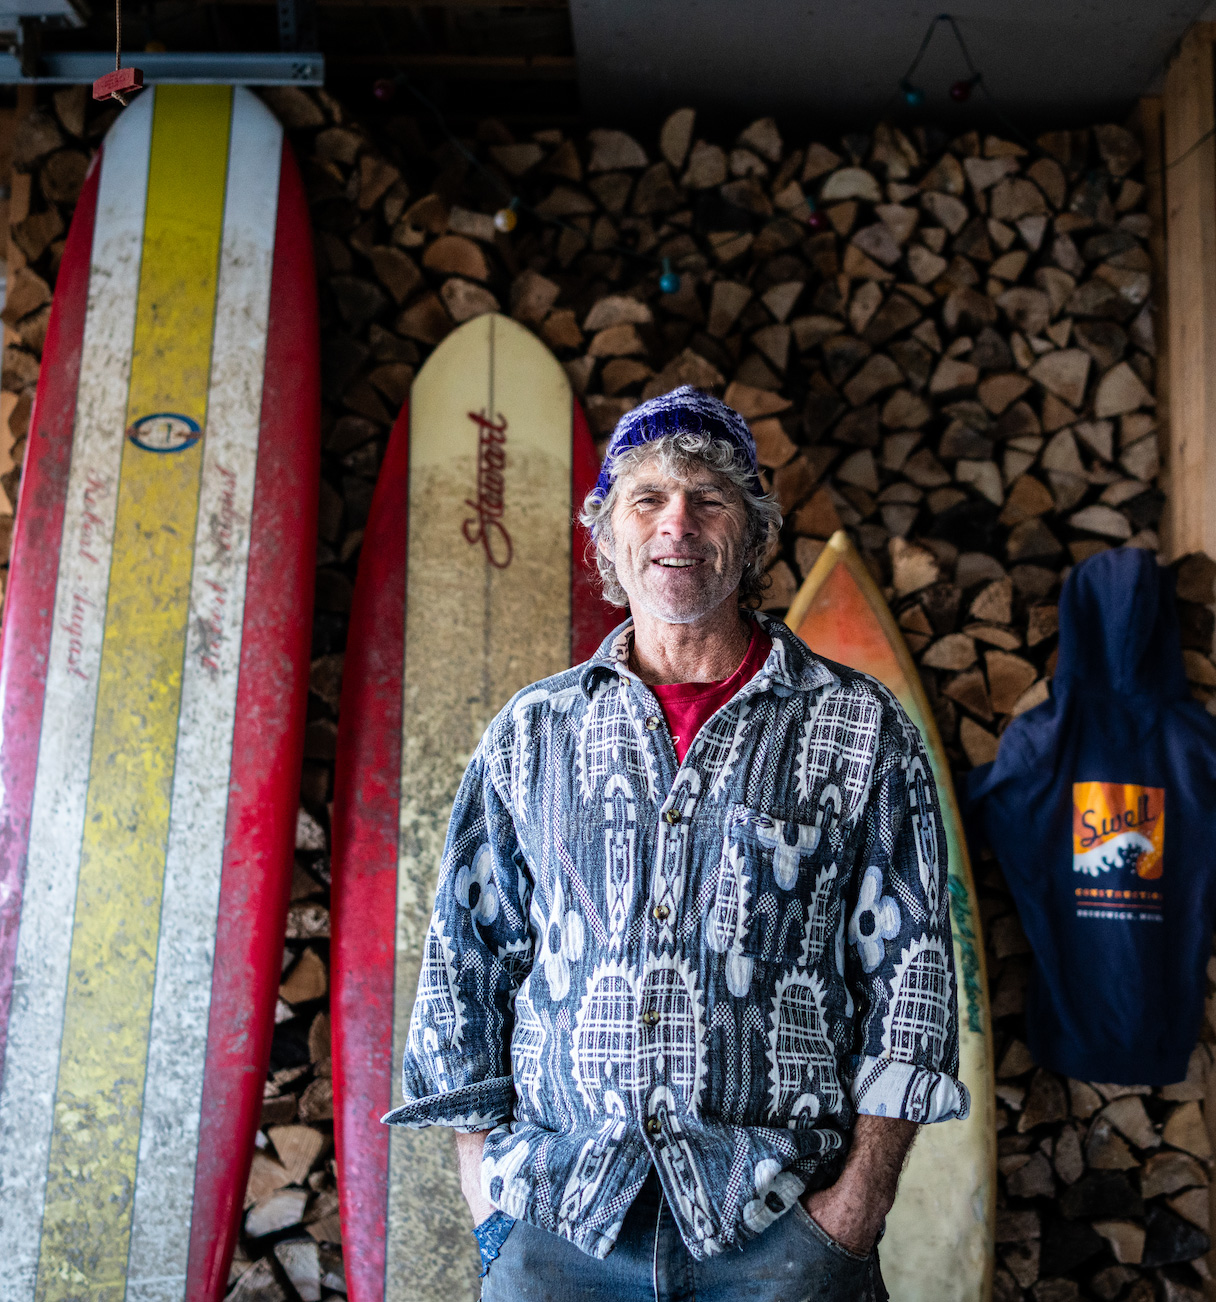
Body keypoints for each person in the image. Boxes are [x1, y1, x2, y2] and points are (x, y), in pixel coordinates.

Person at [383, 386, 969, 1301]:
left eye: (710, 497)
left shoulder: (858, 728)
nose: (677, 523)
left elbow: (914, 974)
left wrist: (854, 1210)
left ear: (753, 533)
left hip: (782, 1232)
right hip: (557, 1228)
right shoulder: (534, 732)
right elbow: (467, 954)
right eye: (646, 498)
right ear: (609, 535)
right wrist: (487, 1198)